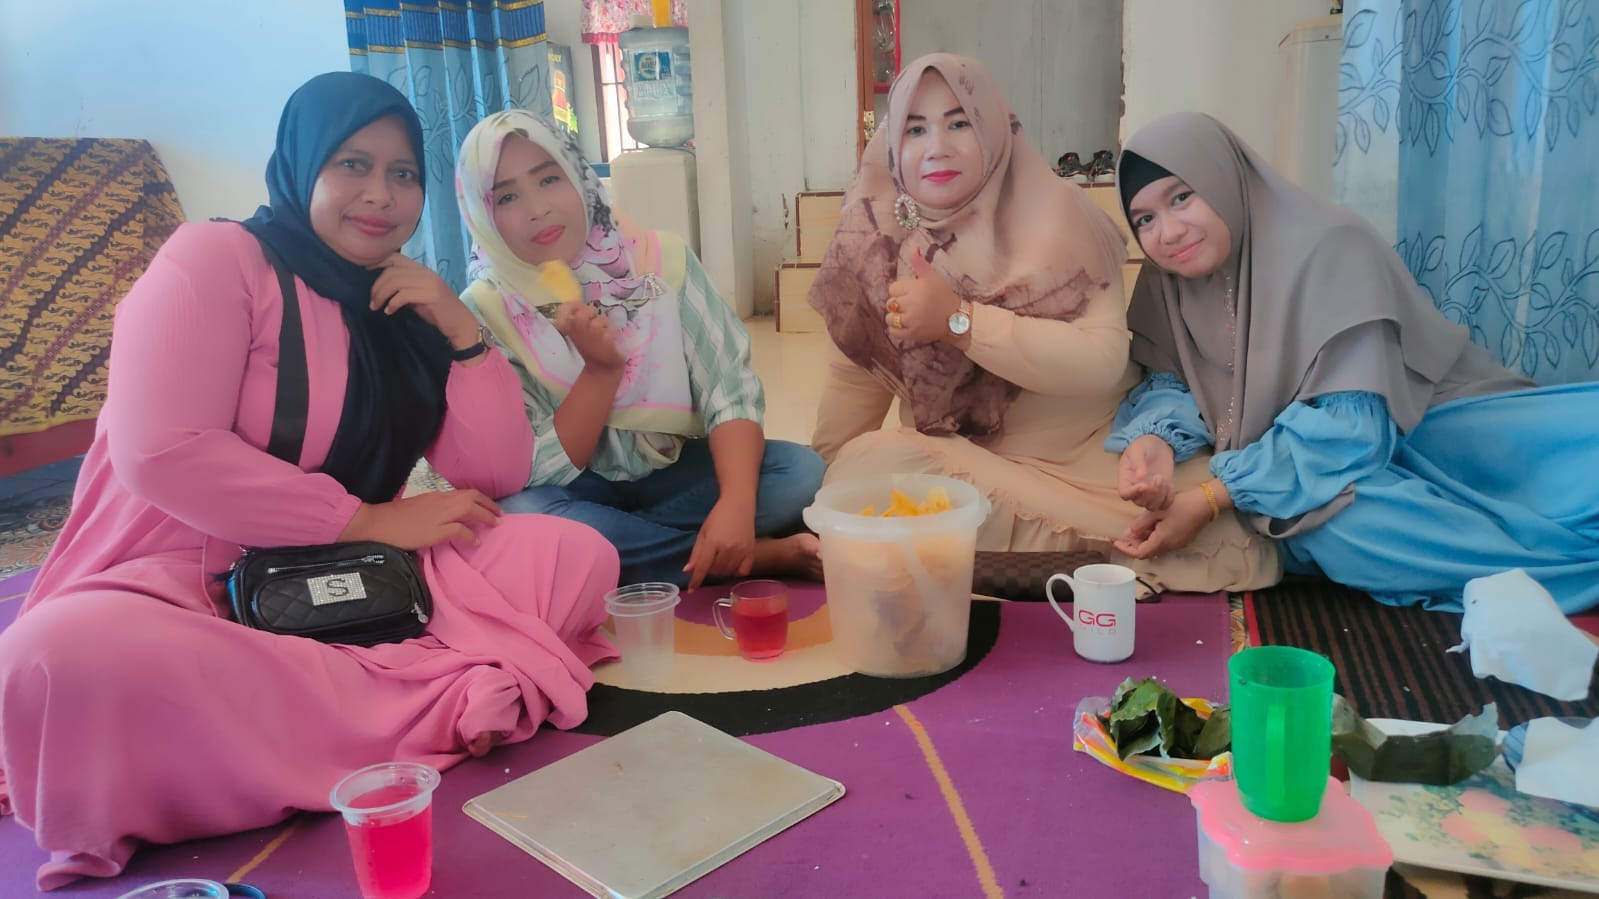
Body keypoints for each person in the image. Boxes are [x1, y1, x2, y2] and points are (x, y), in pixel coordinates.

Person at [0, 73, 621, 890]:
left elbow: (497, 471)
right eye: (352, 164)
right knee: (54, 660)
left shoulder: (399, 303)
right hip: (180, 589)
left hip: (351, 585)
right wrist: (363, 517)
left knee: (576, 554)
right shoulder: (215, 259)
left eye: (403, 174)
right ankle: (435, 698)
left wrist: (462, 333)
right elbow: (162, 451)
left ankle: (296, 725)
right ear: (302, 164)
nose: (381, 194)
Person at [807, 54, 1279, 594]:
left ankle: (1026, 558)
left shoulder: (1059, 215)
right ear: (893, 144)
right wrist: (824, 499)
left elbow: (1101, 362)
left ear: (992, 128)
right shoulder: (874, 241)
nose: (936, 147)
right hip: (971, 472)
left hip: (1092, 460)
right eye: (915, 129)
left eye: (959, 123)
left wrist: (960, 322)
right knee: (866, 464)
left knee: (1206, 513)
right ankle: (1080, 561)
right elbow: (853, 384)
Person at [1111, 110, 1599, 613]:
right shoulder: (1167, 282)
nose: (1168, 232)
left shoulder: (1330, 245)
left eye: (1181, 197)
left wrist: (1213, 497)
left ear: (1222, 178)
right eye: (1145, 219)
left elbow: (1354, 428)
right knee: (1335, 529)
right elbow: (1169, 377)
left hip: (1435, 429)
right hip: (1318, 471)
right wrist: (1155, 441)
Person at [454, 110, 824, 590]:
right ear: (481, 215)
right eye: (506, 196)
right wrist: (600, 372)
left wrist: (735, 505)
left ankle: (638, 552)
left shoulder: (658, 263)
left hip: (671, 472)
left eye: (549, 178)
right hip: (570, 492)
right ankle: (746, 557)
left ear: (579, 176)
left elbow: (729, 391)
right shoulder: (485, 312)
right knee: (523, 515)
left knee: (799, 472)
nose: (537, 208)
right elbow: (531, 468)